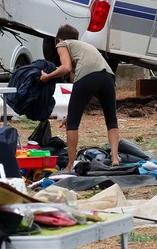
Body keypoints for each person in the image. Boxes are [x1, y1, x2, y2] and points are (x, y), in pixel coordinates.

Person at [40, 24, 120, 167]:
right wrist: (71, 113)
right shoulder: (84, 46)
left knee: (73, 124)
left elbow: (66, 67)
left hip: (88, 76)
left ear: (59, 39)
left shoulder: (62, 44)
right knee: (111, 120)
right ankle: (115, 158)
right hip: (108, 76)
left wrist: (48, 77)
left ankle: (70, 164)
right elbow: (83, 94)